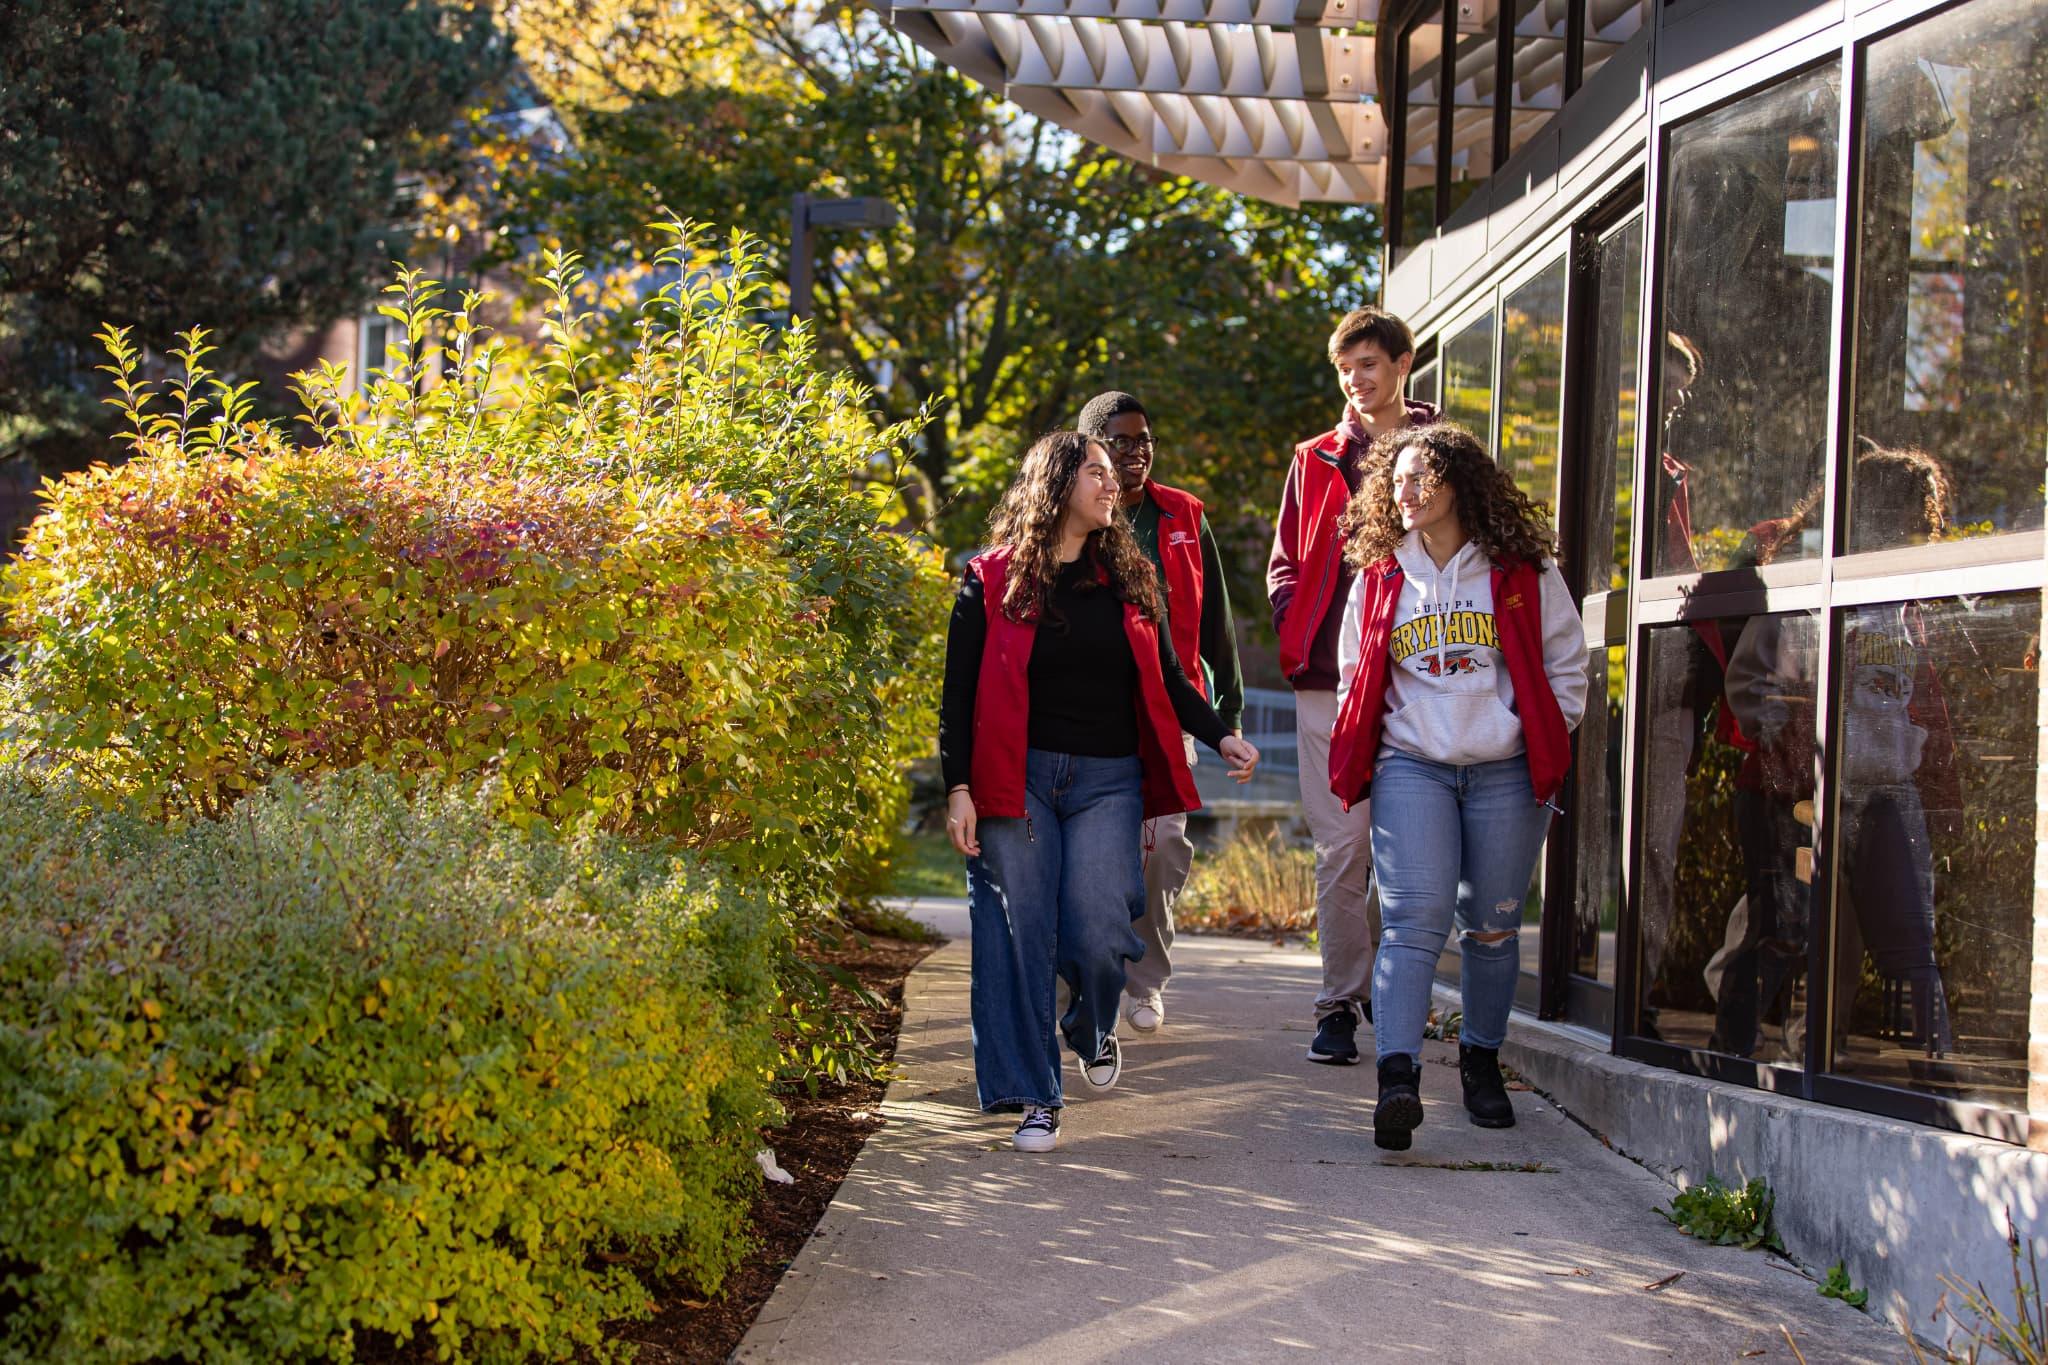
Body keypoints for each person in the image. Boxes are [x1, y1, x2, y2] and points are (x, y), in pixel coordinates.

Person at [939, 431, 1260, 1153]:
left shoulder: (1131, 580)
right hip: (1014, 778)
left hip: (1108, 779)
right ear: (1056, 484)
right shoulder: (990, 580)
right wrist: (956, 784)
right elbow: (957, 696)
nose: (1113, 486)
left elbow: (1173, 680)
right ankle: (1036, 1097)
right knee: (1021, 931)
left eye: (1113, 475)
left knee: (1097, 926)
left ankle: (1089, 1023)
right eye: (1097, 472)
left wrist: (1221, 734)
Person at [1328, 422, 1587, 1150]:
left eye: (1423, 478)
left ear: (1458, 484)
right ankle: (1398, 1079)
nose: (1406, 491)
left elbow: (1567, 666)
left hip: (1504, 767)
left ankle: (1480, 1060)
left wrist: (1535, 727)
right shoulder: (1382, 575)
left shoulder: (1519, 571)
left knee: (1492, 924)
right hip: (1413, 764)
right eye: (1399, 480)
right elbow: (1355, 675)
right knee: (1414, 920)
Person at [1268, 306, 1439, 1066]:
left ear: (1404, 364)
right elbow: (1283, 564)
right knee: (1341, 848)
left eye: (1369, 364)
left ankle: (1384, 984)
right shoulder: (1314, 459)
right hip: (1327, 682)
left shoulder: (1442, 453)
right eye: (1345, 368)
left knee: (1403, 851)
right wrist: (1294, 625)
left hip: (1416, 676)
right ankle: (1338, 1003)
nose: (1356, 380)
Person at [1077, 390, 1245, 1035]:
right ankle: (1088, 970)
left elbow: (1218, 620)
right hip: (1095, 706)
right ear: (1094, 447)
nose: (1136, 452)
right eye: (1121, 442)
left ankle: (1145, 981)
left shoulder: (1183, 514)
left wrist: (1224, 713)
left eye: (1144, 440)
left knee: (1164, 847)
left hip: (1173, 704)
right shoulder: (1080, 512)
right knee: (1099, 847)